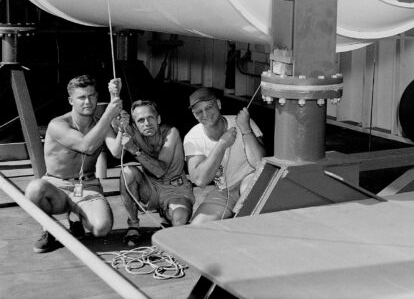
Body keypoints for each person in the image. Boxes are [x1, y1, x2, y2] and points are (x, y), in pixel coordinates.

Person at [24, 75, 122, 253]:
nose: (88, 101)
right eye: (81, 97)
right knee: (34, 189)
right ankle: (52, 228)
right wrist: (109, 114)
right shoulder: (58, 124)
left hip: (87, 185)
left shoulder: (101, 123)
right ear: (71, 100)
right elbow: (87, 146)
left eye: (92, 96)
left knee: (102, 229)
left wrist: (122, 127)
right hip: (57, 185)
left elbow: (117, 151)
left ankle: (75, 220)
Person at [110, 99, 195, 246]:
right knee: (127, 172)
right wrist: (120, 127)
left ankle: (166, 212)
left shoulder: (171, 133)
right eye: (141, 120)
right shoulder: (133, 131)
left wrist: (135, 150)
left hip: (176, 189)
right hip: (150, 187)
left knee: (179, 219)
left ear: (158, 119)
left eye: (150, 118)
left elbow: (160, 170)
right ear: (135, 124)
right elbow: (116, 153)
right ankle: (133, 224)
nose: (147, 123)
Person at [183, 88, 265, 223]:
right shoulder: (192, 137)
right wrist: (221, 144)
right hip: (224, 190)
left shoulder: (243, 121)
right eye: (198, 111)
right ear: (194, 114)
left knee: (248, 196)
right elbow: (200, 180)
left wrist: (245, 129)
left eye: (209, 107)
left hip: (249, 180)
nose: (205, 114)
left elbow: (259, 163)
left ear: (219, 105)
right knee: (197, 227)